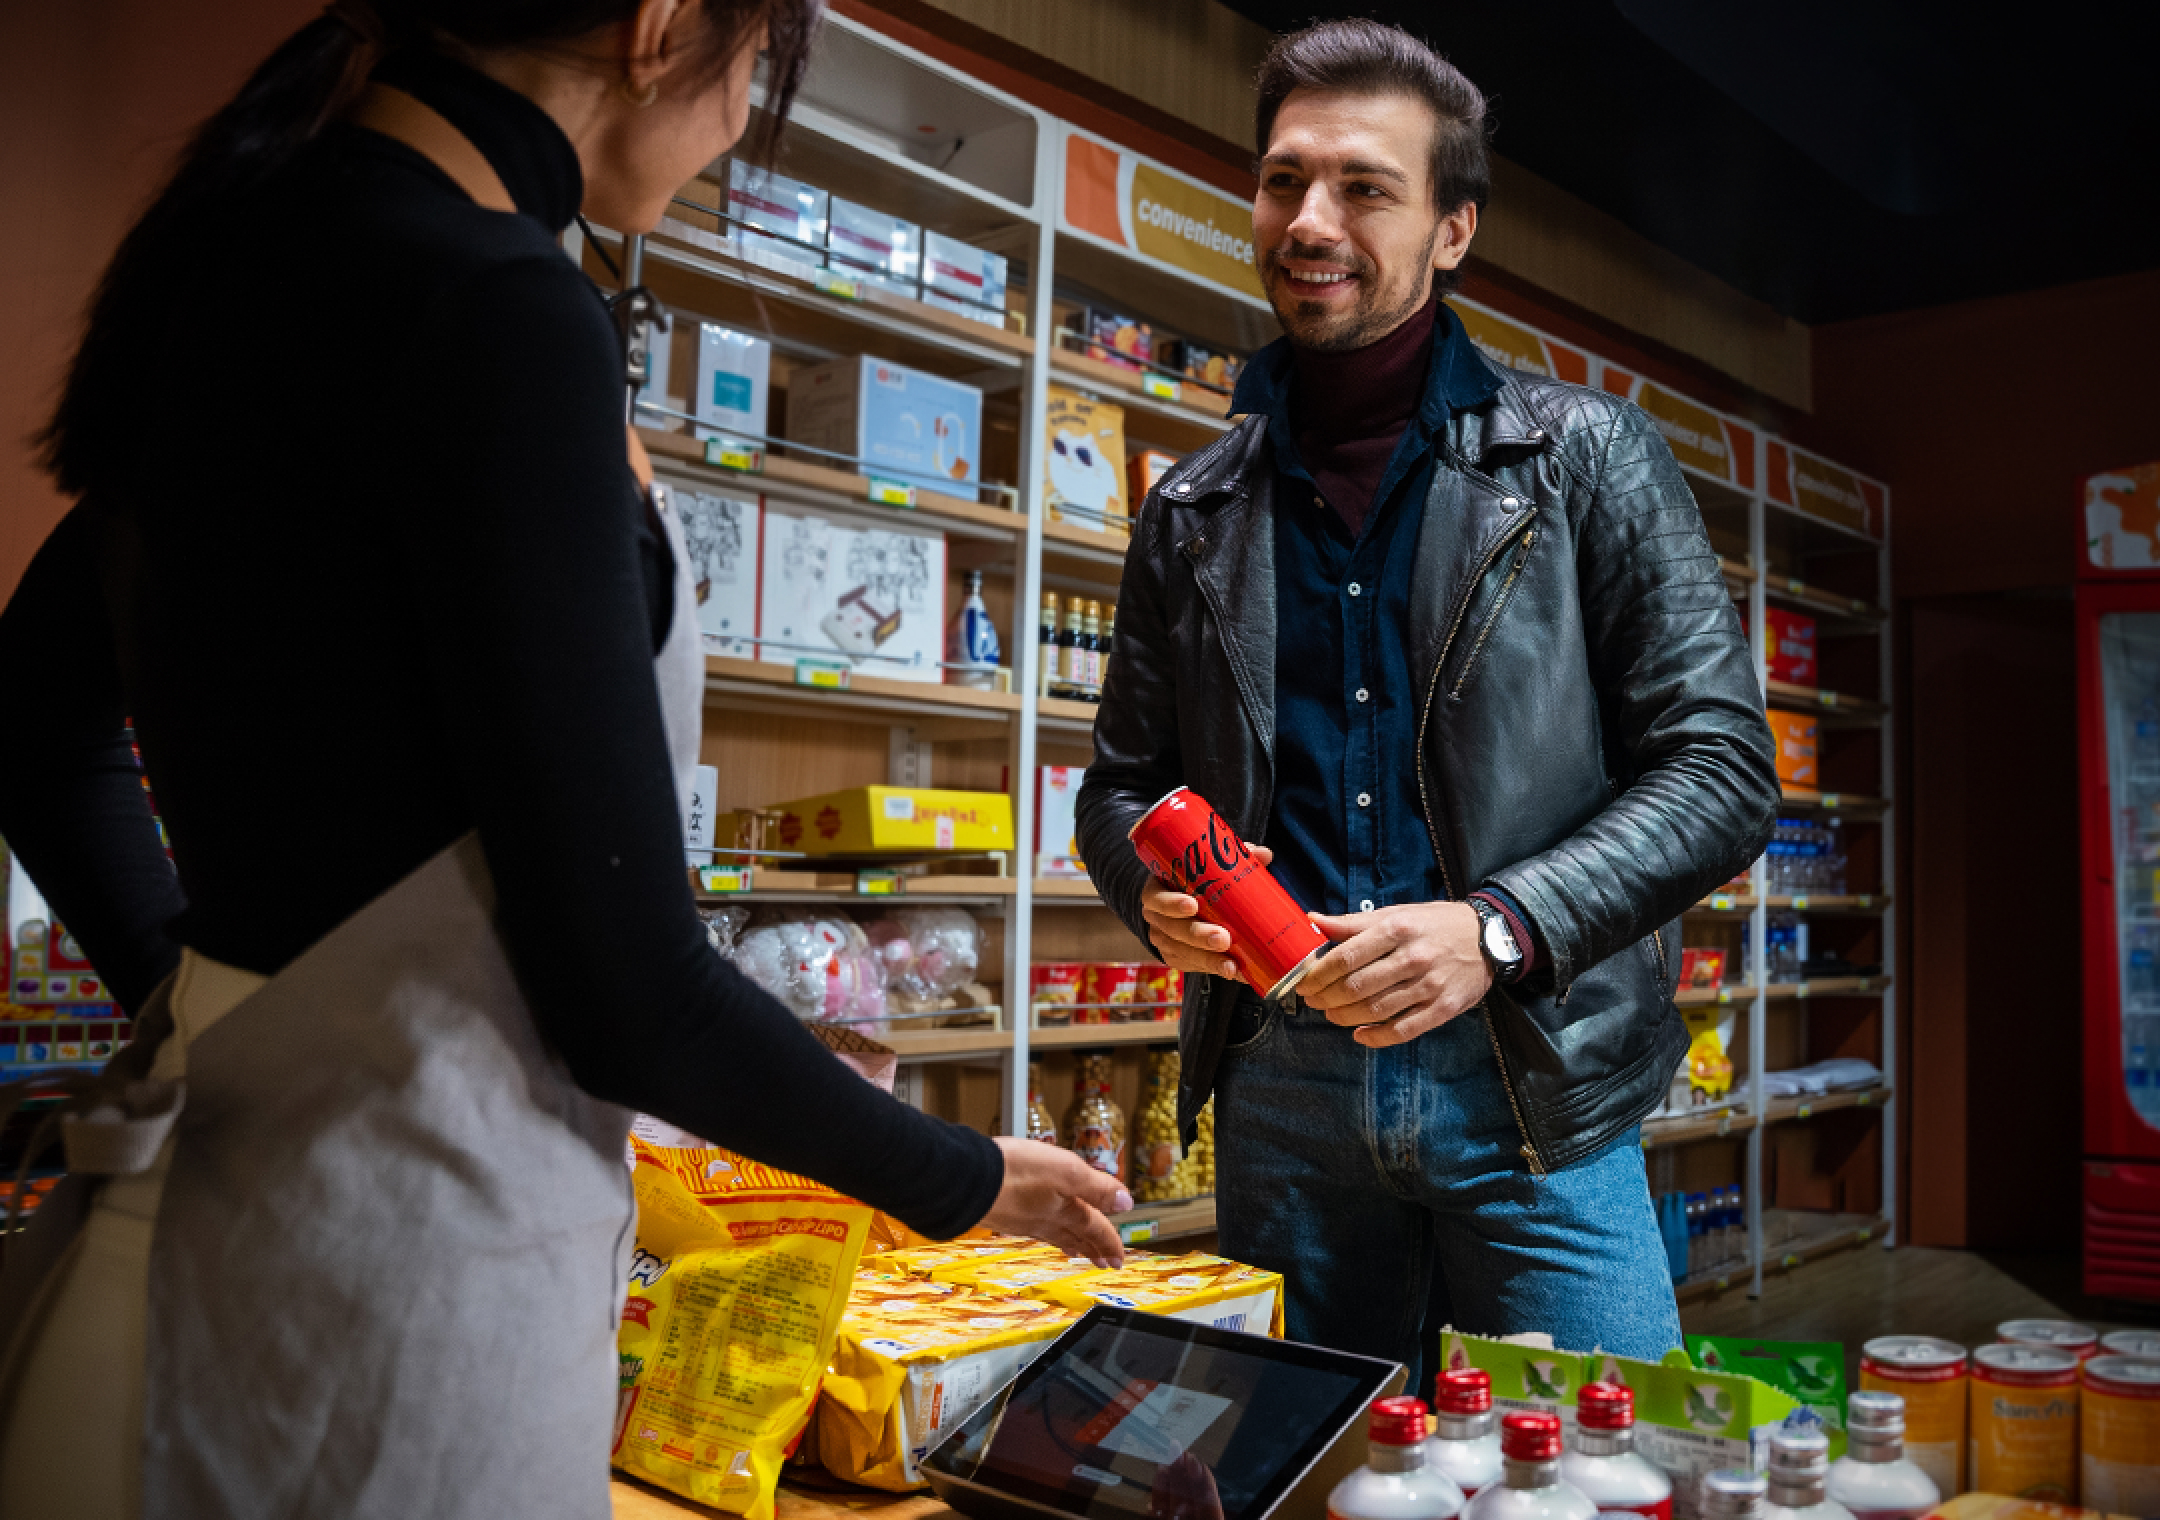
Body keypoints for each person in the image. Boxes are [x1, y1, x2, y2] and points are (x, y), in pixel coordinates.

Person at [0, 1, 1125, 1514]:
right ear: (664, 27)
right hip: (384, 1320)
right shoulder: (497, 311)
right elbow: (630, 993)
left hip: (157, 1264)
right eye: (753, 80)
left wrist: (212, 1004)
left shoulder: (241, 264)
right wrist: (963, 1179)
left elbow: (34, 730)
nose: (737, 131)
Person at [1076, 18, 1778, 1390]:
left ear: (1453, 229)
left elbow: (1720, 769)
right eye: (1284, 181)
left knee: (1597, 1462)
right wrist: (1146, 893)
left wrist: (1498, 928)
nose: (1308, 219)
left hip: (1531, 1088)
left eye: (1363, 186)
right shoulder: (1192, 507)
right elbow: (1123, 782)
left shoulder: (1586, 460)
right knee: (1317, 1466)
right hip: (1284, 1091)